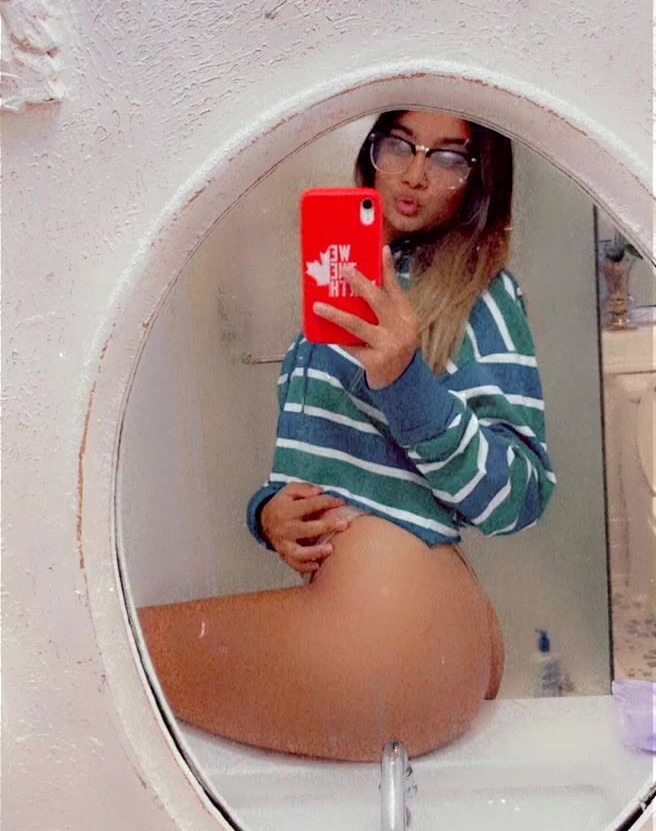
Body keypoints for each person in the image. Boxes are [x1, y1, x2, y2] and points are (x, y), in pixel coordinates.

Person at [138, 110, 557, 761]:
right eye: (401, 145)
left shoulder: (484, 296)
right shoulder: (347, 288)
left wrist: (405, 379)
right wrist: (269, 514)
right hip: (385, 629)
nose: (415, 174)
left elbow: (520, 495)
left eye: (449, 157)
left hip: (395, 631)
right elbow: (331, 459)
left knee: (107, 653)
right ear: (373, 149)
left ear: (479, 180)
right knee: (115, 654)